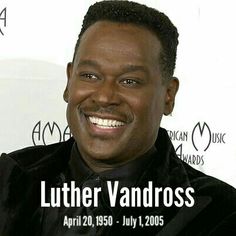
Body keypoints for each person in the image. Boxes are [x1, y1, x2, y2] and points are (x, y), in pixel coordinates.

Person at [0, 1, 236, 235]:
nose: (104, 97)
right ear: (69, 81)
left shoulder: (217, 213)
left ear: (168, 95)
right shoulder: (8, 179)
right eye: (90, 75)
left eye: (129, 81)